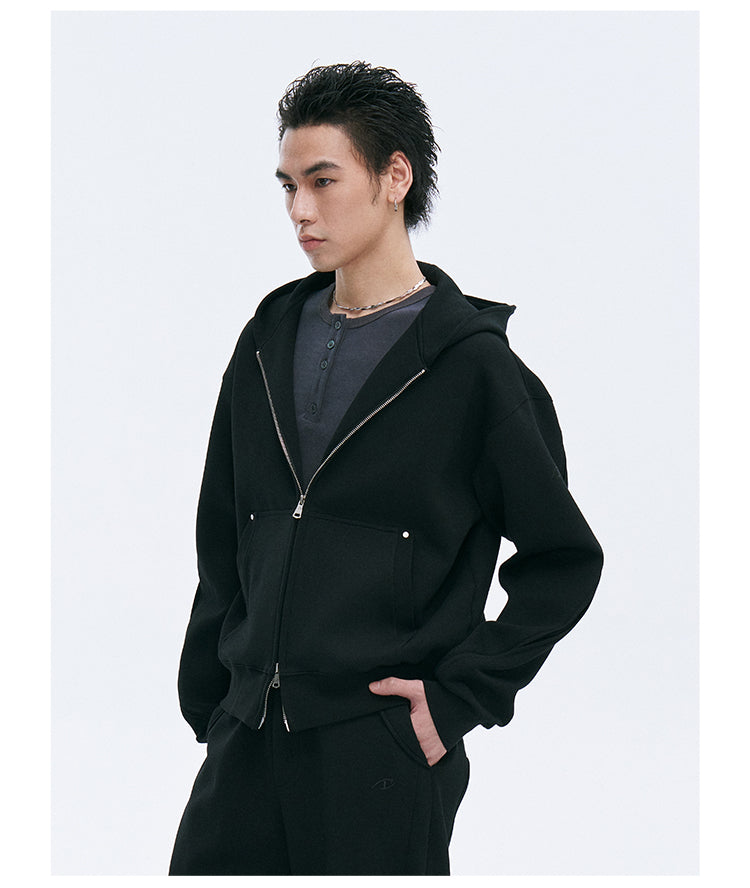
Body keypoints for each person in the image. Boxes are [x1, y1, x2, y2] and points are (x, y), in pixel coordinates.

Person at [168, 61, 603, 876]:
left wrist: (458, 699)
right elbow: (224, 532)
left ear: (394, 177)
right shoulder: (265, 342)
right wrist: (213, 697)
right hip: (244, 739)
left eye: (322, 180)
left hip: (377, 754)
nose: (300, 210)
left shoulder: (474, 370)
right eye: (288, 186)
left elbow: (564, 560)